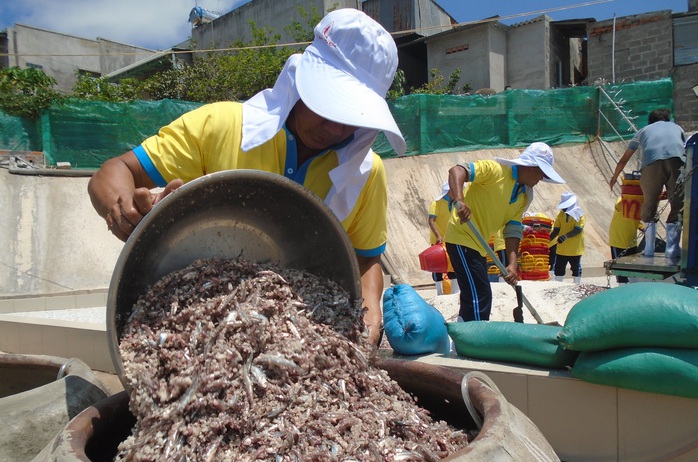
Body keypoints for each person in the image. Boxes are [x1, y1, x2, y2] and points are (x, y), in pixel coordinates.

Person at [86, 9, 406, 347]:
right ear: (302, 81)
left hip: (299, 337)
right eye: (329, 106)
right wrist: (124, 211)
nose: (337, 128)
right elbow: (113, 172)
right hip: (195, 321)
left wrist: (370, 320)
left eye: (352, 115)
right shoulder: (221, 126)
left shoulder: (367, 173)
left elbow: (367, 256)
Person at [444, 142, 565, 322]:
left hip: (479, 246)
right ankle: (476, 339)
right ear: (531, 167)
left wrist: (512, 264)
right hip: (462, 236)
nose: (541, 178)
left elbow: (513, 229)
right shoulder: (495, 171)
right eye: (541, 172)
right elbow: (457, 171)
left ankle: (462, 338)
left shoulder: (525, 196)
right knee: (480, 294)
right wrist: (460, 200)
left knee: (473, 295)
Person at [609, 108, 686, 259]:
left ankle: (649, 248)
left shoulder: (643, 131)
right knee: (677, 205)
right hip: (677, 162)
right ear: (667, 119)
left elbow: (625, 158)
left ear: (650, 121)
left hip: (652, 164)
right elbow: (686, 148)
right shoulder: (678, 128)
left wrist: (614, 177)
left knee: (649, 203)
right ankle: (673, 249)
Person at [427, 181, 460, 295]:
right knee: (437, 267)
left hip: (451, 239)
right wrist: (437, 235)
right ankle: (439, 292)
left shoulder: (456, 204)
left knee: (453, 265)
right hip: (438, 240)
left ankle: (455, 292)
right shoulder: (436, 203)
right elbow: (431, 221)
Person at [550, 191, 585, 284]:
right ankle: (558, 284)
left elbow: (578, 229)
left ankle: (577, 285)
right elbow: (556, 229)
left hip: (575, 249)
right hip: (562, 248)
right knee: (559, 268)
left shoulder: (579, 214)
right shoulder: (561, 214)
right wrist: (547, 240)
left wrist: (565, 236)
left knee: (576, 268)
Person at [608, 196, 643, 284]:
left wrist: (642, 227)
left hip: (631, 241)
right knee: (619, 268)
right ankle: (621, 287)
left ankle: (633, 288)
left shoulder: (639, 203)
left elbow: (636, 220)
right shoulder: (622, 199)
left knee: (632, 268)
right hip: (618, 239)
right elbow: (618, 205)